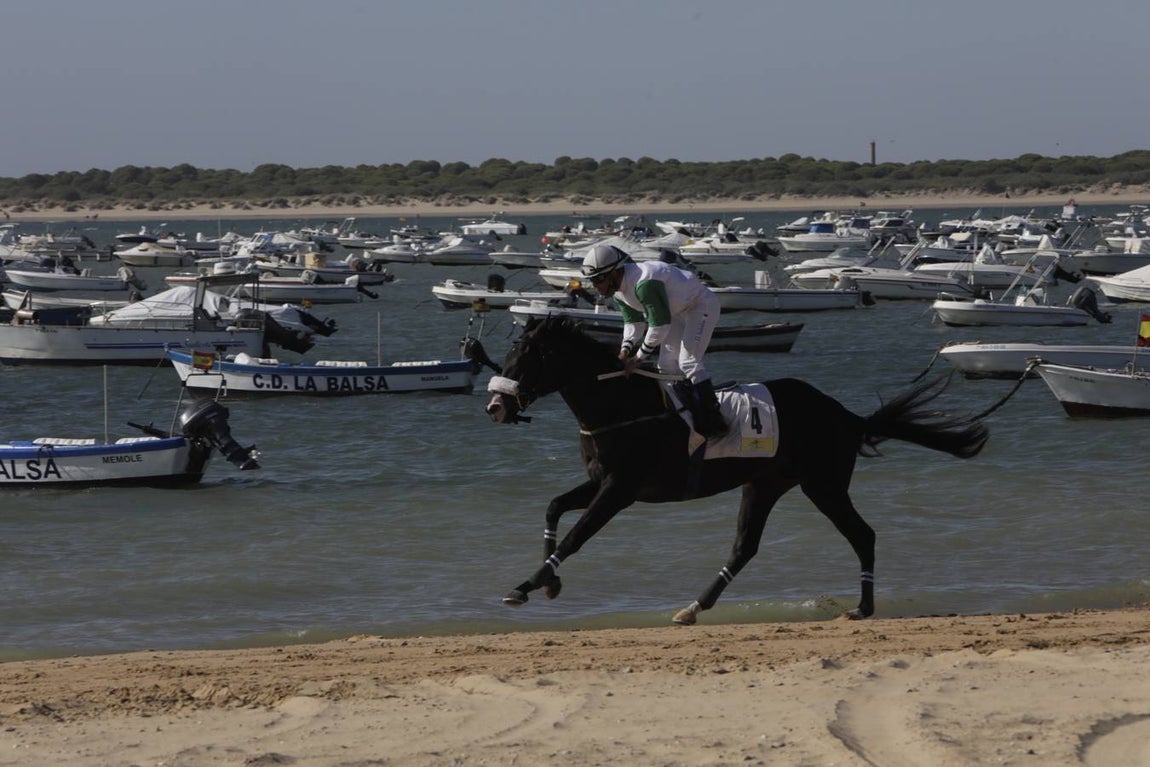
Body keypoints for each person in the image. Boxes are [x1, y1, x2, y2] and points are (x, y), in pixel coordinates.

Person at [581, 244, 728, 439]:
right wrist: (625, 351)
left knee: (688, 362)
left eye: (598, 279)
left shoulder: (644, 283)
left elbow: (659, 326)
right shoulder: (618, 292)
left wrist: (638, 359)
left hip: (700, 305)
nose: (596, 286)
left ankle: (715, 421)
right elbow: (633, 324)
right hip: (676, 312)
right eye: (592, 281)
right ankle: (686, 416)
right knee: (666, 366)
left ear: (615, 272)